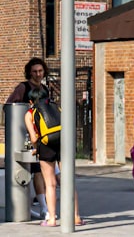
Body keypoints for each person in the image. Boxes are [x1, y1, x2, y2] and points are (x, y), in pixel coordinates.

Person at [24, 86, 80, 227]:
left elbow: (34, 138)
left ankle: (52, 219)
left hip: (46, 147)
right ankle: (76, 217)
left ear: (31, 101)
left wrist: (35, 147)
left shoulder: (30, 113)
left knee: (50, 184)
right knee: (68, 182)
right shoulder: (56, 107)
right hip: (63, 144)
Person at [7, 57, 49, 219]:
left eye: (40, 71)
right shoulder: (22, 88)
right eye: (35, 72)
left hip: (41, 134)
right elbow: (10, 107)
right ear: (29, 73)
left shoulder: (45, 88)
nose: (38, 74)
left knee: (40, 170)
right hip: (25, 135)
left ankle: (41, 207)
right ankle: (35, 207)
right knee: (30, 170)